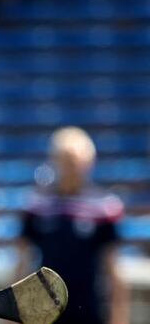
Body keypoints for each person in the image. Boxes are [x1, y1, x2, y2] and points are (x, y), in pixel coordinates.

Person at [18, 127, 129, 324]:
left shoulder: (104, 208)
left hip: (90, 310)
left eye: (75, 162)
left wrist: (118, 316)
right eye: (65, 161)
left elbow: (113, 270)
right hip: (47, 312)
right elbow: (22, 265)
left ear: (89, 163)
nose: (71, 168)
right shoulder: (37, 206)